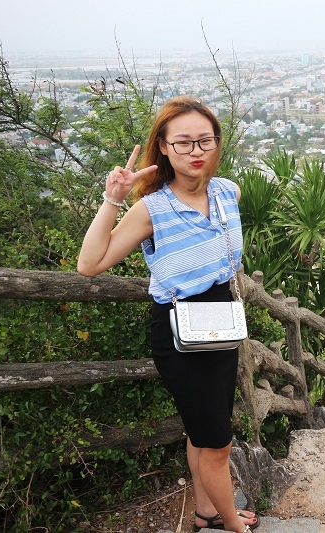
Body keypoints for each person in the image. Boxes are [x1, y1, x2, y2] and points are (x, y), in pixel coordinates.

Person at [78, 96, 258, 533]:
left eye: (205, 141)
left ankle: (206, 513)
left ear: (217, 143)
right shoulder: (152, 209)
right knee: (217, 444)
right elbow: (89, 264)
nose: (196, 151)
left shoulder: (227, 192)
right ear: (163, 146)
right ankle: (231, 523)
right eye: (183, 143)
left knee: (202, 433)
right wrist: (113, 199)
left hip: (221, 327)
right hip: (179, 333)